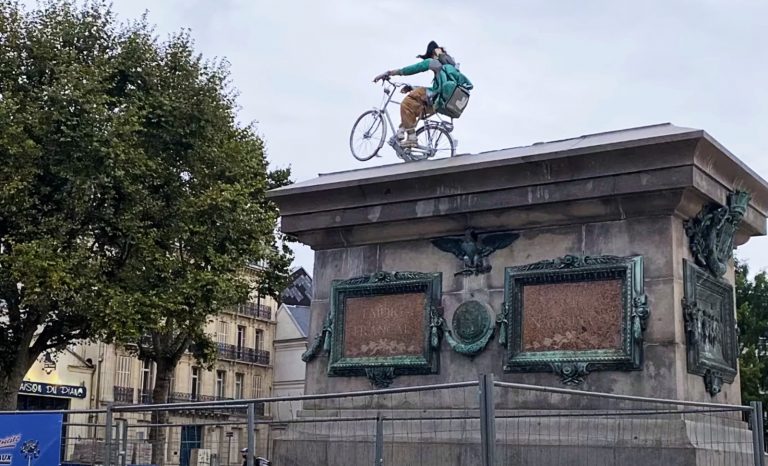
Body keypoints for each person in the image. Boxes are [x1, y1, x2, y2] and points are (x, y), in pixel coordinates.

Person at [373, 41, 462, 148]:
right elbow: (434, 89)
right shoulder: (451, 67)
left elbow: (411, 69)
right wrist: (412, 88)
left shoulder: (434, 62)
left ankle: (411, 138)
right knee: (411, 109)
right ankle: (401, 131)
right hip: (441, 102)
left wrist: (390, 73)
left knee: (406, 104)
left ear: (432, 53)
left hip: (436, 98)